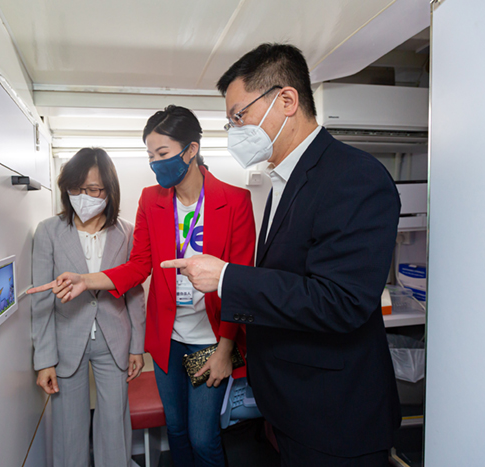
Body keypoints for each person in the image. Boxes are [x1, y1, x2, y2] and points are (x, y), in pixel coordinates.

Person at [161, 44, 402, 466]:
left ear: (286, 100)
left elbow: (341, 301)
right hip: (293, 405)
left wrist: (227, 278)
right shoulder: (282, 180)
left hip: (335, 418)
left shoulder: (354, 176)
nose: (235, 129)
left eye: (240, 116)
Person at [29, 106, 256, 467]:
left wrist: (225, 349)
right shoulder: (152, 200)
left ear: (191, 150)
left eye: (162, 154)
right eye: (150, 155)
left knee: (203, 438)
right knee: (177, 430)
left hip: (212, 337)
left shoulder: (236, 201)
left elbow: (241, 283)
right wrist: (86, 280)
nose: (155, 163)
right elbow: (137, 267)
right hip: (168, 338)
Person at [30, 147, 146, 467]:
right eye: (75, 189)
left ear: (109, 190)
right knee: (69, 429)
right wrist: (45, 360)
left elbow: (134, 293)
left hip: (114, 338)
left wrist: (137, 346)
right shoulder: (48, 232)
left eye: (93, 189)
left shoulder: (127, 233)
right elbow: (41, 299)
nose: (84, 197)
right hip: (67, 338)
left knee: (114, 425)